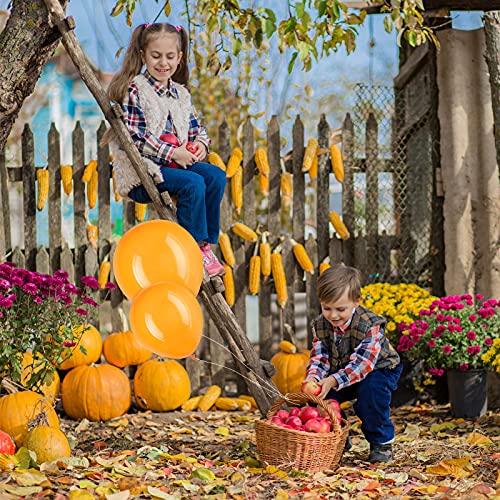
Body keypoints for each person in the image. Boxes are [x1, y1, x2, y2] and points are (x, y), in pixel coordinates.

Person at [105, 22, 226, 277]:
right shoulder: (134, 90)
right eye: (155, 56)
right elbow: (136, 139)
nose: (163, 63)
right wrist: (172, 153)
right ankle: (193, 248)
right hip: (144, 172)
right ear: (143, 55)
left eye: (170, 56)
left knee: (215, 176)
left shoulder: (181, 94)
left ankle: (205, 244)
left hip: (175, 164)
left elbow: (197, 129)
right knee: (194, 183)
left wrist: (200, 145)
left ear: (179, 58)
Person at [303, 265, 402, 463]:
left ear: (356, 301)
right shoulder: (321, 325)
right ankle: (337, 438)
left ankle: (381, 442)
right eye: (327, 308)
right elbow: (320, 357)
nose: (333, 315)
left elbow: (362, 364)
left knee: (371, 396)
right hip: (341, 371)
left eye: (340, 309)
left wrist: (332, 379)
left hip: (379, 369)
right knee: (320, 398)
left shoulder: (370, 325)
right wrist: (314, 378)